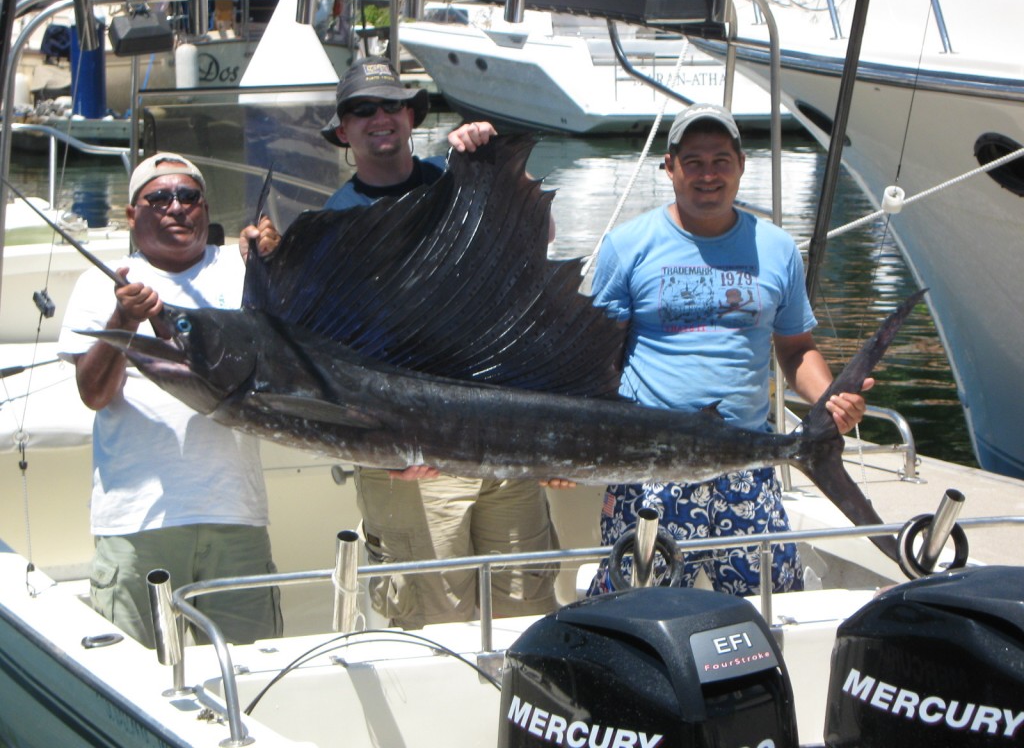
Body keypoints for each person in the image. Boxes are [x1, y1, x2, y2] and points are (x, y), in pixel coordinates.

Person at [242, 56, 560, 630]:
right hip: (414, 461)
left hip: (504, 440)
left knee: (529, 616)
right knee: (436, 626)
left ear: (412, 116)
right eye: (362, 110)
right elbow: (324, 365)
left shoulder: (459, 177)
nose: (378, 118)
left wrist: (494, 165)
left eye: (391, 105)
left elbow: (536, 239)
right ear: (343, 130)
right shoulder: (330, 225)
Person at [587, 103, 873, 596]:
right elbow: (594, 362)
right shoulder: (626, 245)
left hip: (746, 461)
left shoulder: (778, 248)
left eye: (721, 160)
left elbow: (796, 350)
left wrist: (830, 402)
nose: (708, 174)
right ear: (669, 166)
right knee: (633, 608)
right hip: (651, 464)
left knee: (770, 609)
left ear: (742, 165)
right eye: (693, 161)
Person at [58, 153, 283, 648]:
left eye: (188, 196)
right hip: (138, 523)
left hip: (235, 514)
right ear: (132, 215)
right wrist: (124, 320)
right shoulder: (102, 283)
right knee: (131, 682)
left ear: (205, 207)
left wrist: (281, 258)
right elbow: (94, 394)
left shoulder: (242, 269)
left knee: (248, 673)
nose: (176, 207)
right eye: (159, 198)